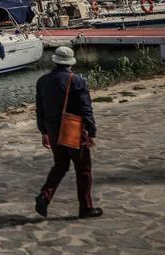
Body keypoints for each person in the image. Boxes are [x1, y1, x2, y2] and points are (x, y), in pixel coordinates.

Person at [34, 46, 103, 219]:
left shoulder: (42, 81)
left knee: (60, 165)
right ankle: (86, 207)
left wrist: (44, 132)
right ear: (70, 63)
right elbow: (86, 109)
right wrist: (92, 131)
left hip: (53, 130)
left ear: (55, 61)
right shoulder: (77, 81)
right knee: (83, 170)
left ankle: (45, 195)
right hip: (73, 131)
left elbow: (40, 109)